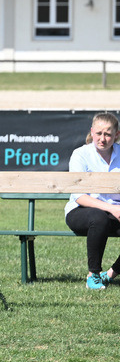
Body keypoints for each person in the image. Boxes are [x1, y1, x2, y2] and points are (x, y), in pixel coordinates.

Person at [65, 111, 120, 290]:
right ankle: (93, 275)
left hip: (115, 212)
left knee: (102, 217)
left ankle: (110, 274)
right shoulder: (80, 154)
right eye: (98, 133)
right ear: (92, 132)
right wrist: (112, 209)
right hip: (81, 211)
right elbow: (79, 196)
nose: (102, 139)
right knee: (99, 217)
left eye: (108, 134)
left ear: (117, 135)